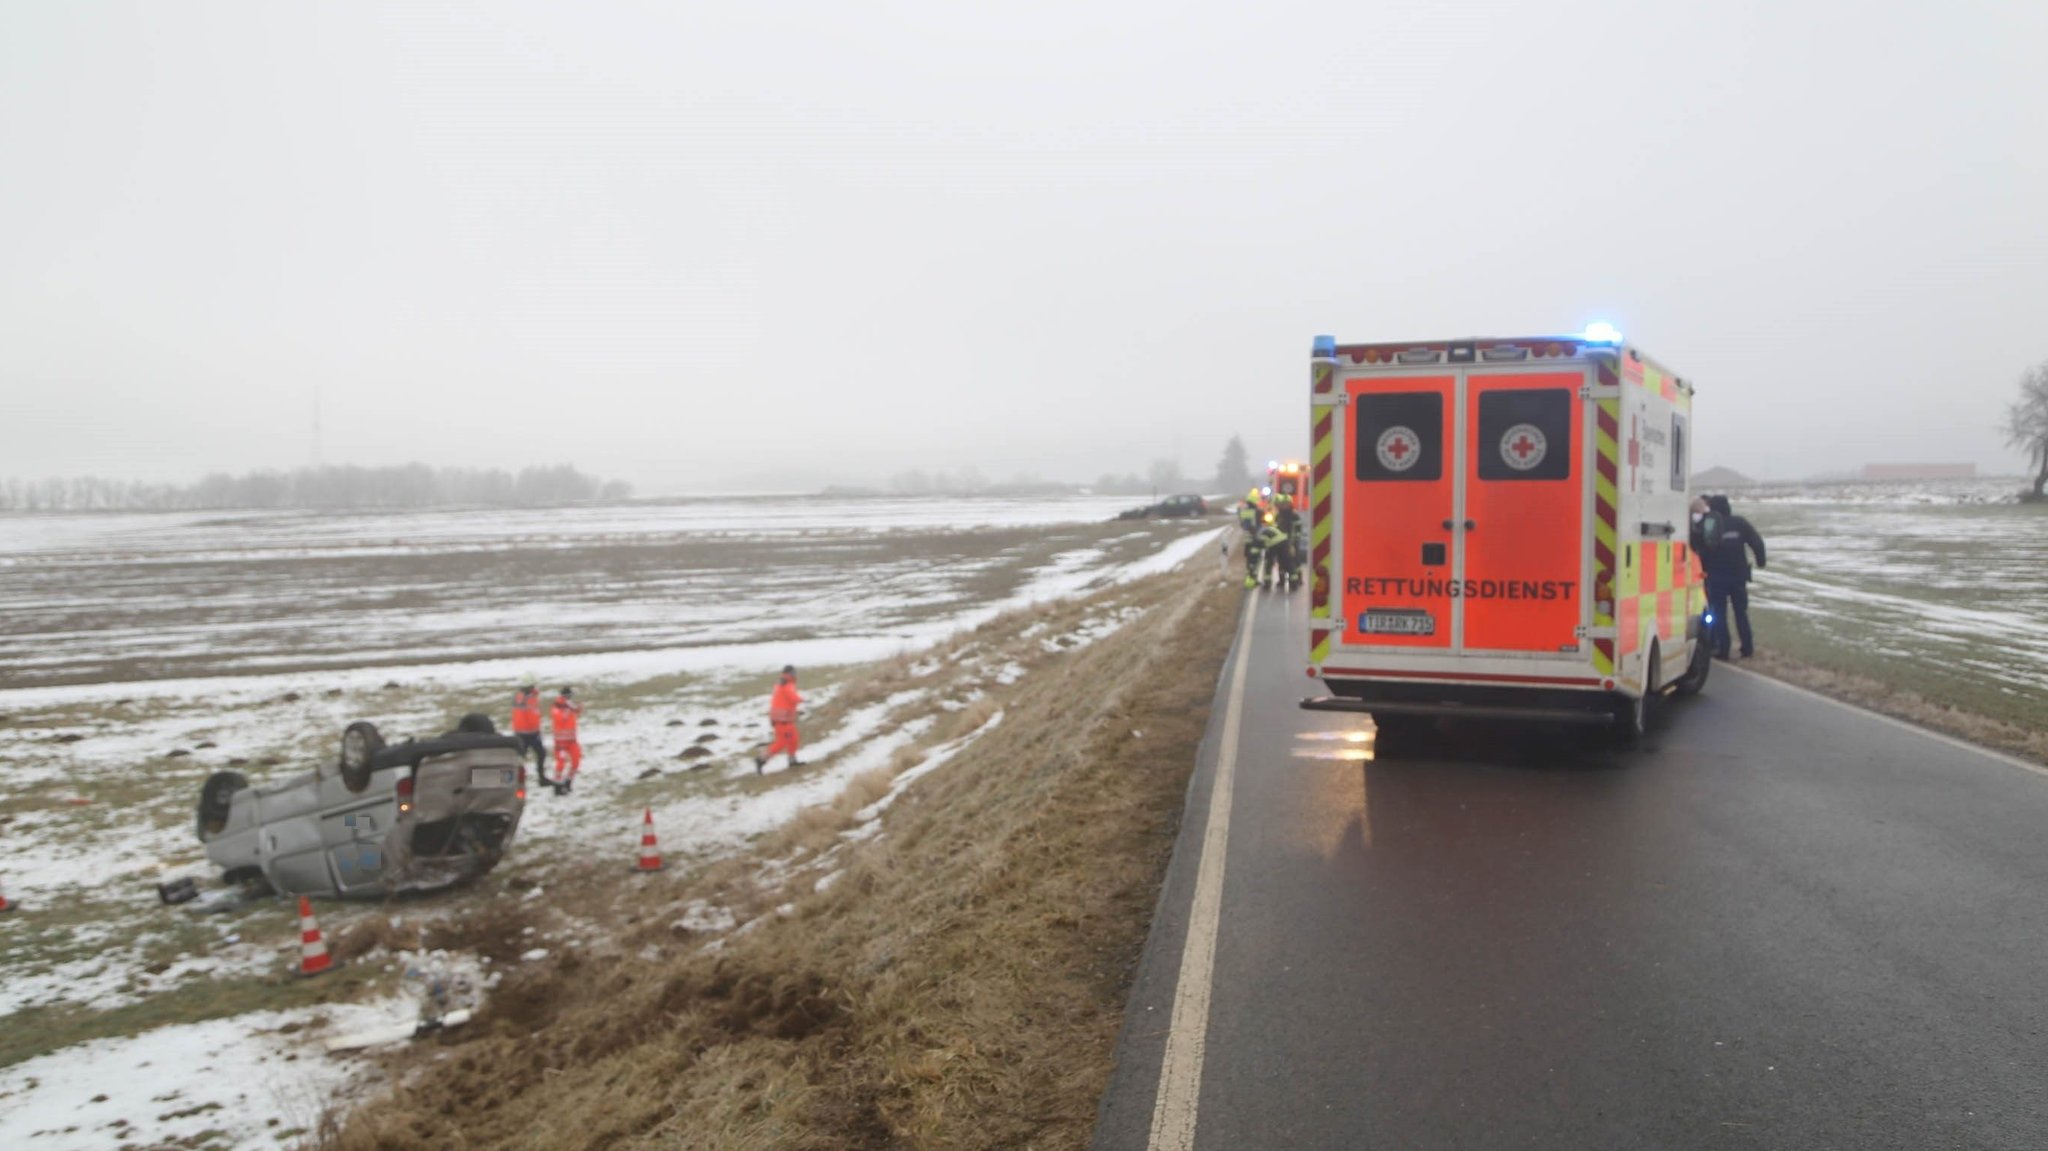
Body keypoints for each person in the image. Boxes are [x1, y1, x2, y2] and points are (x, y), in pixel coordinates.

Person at [1700, 493, 1767, 659]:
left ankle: (1723, 650)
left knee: (1719, 614)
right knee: (1741, 612)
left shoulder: (1710, 525)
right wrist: (1761, 560)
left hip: (1716, 578)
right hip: (1738, 577)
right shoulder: (1740, 523)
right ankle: (1747, 648)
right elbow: (1756, 541)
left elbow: (1702, 549)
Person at [753, 665, 804, 774]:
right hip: (783, 719)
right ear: (791, 674)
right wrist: (801, 699)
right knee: (783, 742)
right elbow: (793, 698)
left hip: (780, 718)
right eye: (794, 673)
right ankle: (761, 760)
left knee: (792, 739)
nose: (796, 675)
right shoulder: (788, 684)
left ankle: (792, 760)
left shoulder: (781, 683)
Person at [510, 682, 551, 784]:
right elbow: (532, 713)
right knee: (535, 755)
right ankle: (539, 778)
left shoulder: (520, 697)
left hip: (525, 733)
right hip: (528, 733)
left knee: (525, 757)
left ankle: (519, 780)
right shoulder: (527, 699)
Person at [548, 687, 582, 795]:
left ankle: (568, 782)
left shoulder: (569, 705)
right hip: (560, 742)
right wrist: (567, 710)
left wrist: (577, 708)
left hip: (572, 740)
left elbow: (576, 711)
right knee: (561, 763)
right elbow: (559, 717)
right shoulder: (556, 706)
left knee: (576, 761)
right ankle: (557, 787)